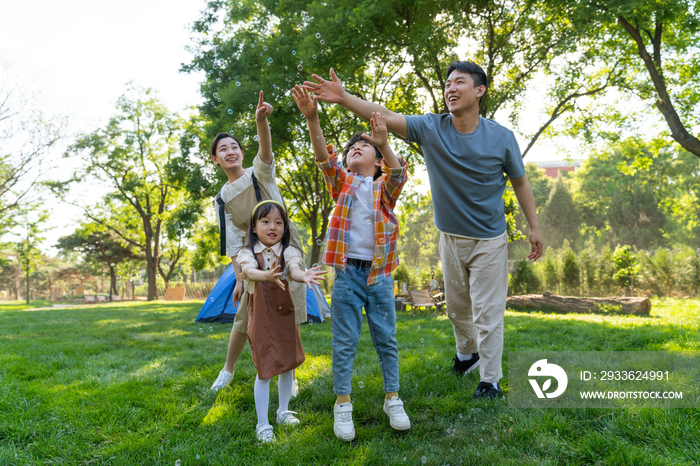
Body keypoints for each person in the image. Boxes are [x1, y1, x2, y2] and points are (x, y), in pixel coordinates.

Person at [304, 61, 543, 400]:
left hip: (490, 239)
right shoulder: (431, 127)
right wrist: (343, 98)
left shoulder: (501, 137)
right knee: (457, 310)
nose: (450, 88)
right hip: (450, 237)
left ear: (479, 90)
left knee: (488, 315)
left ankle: (490, 381)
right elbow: (382, 114)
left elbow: (520, 180)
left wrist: (533, 227)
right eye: (447, 84)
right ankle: (467, 355)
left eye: (459, 82)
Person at [292, 84, 411, 442]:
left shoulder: (383, 191)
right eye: (351, 148)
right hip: (347, 276)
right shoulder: (342, 185)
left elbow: (399, 174)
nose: (356, 147)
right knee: (344, 341)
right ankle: (342, 404)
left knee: (386, 339)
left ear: (378, 161)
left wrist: (384, 142)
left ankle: (393, 397)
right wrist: (312, 118)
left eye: (366, 146)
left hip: (378, 278)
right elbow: (324, 159)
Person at [209, 91, 308, 394]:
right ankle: (227, 370)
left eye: (234, 146)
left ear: (241, 152)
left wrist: (260, 121)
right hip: (254, 258)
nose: (230, 151)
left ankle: (287, 376)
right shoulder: (221, 199)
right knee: (243, 316)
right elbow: (234, 244)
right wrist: (239, 280)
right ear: (215, 160)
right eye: (222, 149)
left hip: (287, 249)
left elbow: (265, 149)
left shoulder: (259, 174)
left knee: (287, 310)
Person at [237, 200, 326, 442]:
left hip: (284, 312)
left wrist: (302, 275)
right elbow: (248, 271)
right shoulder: (247, 252)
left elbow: (294, 269)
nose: (272, 226)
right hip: (262, 315)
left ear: (285, 228)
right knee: (265, 369)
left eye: (279, 222)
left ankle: (283, 411)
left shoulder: (289, 250)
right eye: (265, 221)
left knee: (288, 363)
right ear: (254, 227)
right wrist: (264, 275)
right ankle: (262, 423)